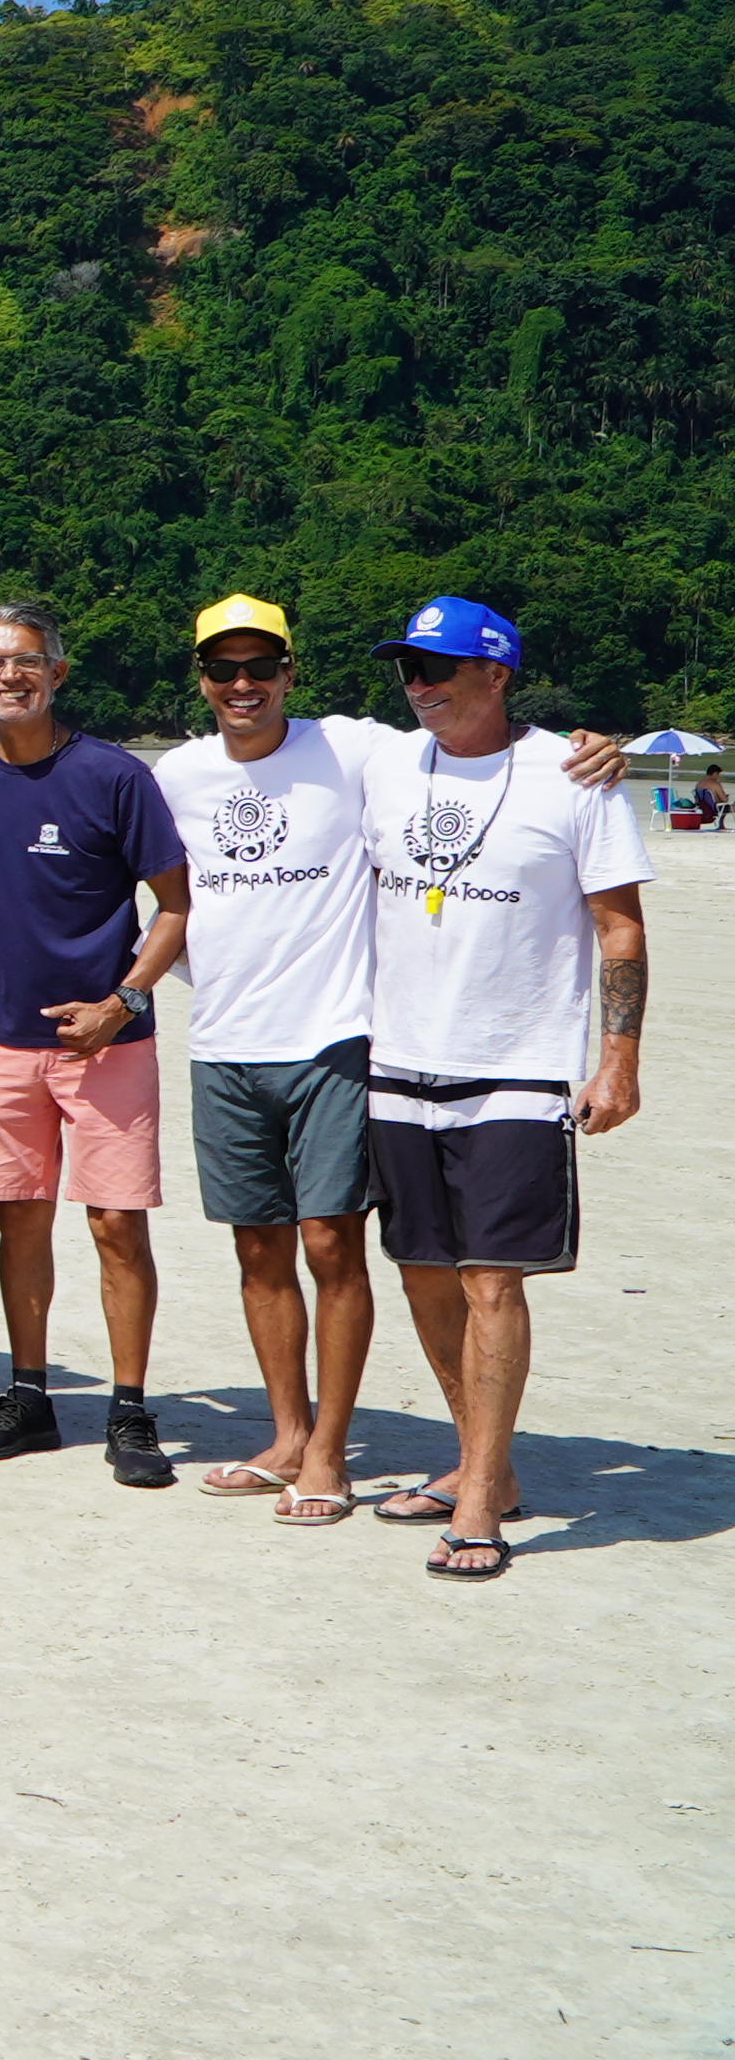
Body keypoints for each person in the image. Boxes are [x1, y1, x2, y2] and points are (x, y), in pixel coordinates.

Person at [150, 596, 626, 1522]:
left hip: (342, 1040)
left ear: (290, 672)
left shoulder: (356, 747)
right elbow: (96, 814)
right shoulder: (179, 773)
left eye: (261, 667)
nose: (242, 684)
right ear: (200, 679)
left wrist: (601, 746)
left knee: (342, 1247)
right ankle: (292, 1437)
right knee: (269, 1250)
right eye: (221, 669)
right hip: (236, 1043)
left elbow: (502, 756)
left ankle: (339, 1453)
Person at [353, 597, 647, 1581]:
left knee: (490, 1278)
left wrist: (619, 1060)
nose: (418, 684)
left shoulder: (574, 775)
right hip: (397, 1059)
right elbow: (261, 735)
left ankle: (480, 1498)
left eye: (437, 667)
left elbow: (619, 927)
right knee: (422, 1270)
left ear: (496, 672)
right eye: (408, 668)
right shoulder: (386, 760)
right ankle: (487, 1460)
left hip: (515, 1064)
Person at [0, 600, 193, 1486]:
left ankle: (130, 1406)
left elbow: (175, 905)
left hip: (108, 1041)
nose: (10, 676)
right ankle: (28, 1394)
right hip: (3, 1037)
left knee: (116, 1224)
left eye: (27, 661)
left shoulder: (115, 775)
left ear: (58, 672)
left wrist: (124, 1000)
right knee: (21, 1217)